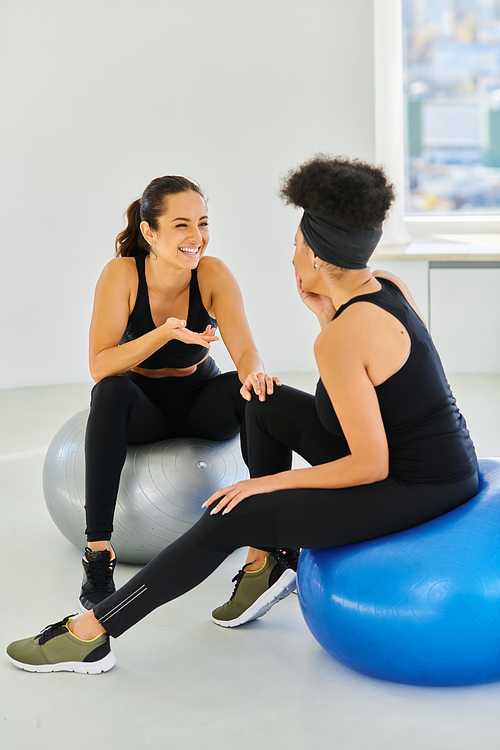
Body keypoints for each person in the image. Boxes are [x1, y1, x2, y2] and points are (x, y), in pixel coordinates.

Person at [6, 156, 479, 674]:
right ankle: (267, 561)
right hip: (436, 459)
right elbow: (392, 383)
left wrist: (264, 488)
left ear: (318, 258)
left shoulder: (341, 339)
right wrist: (326, 315)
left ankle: (90, 634)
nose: (292, 258)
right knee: (264, 397)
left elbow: (371, 467)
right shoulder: (385, 287)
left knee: (230, 513)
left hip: (418, 486)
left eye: (296, 248)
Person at [57, 174, 291, 612]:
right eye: (182, 224)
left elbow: (244, 348)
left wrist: (254, 373)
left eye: (202, 223)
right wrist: (164, 333)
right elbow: (99, 365)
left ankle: (269, 550)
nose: (196, 237)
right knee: (108, 393)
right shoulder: (122, 274)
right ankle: (98, 554)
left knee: (261, 394)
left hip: (200, 398)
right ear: (150, 231)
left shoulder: (213, 272)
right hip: (142, 406)